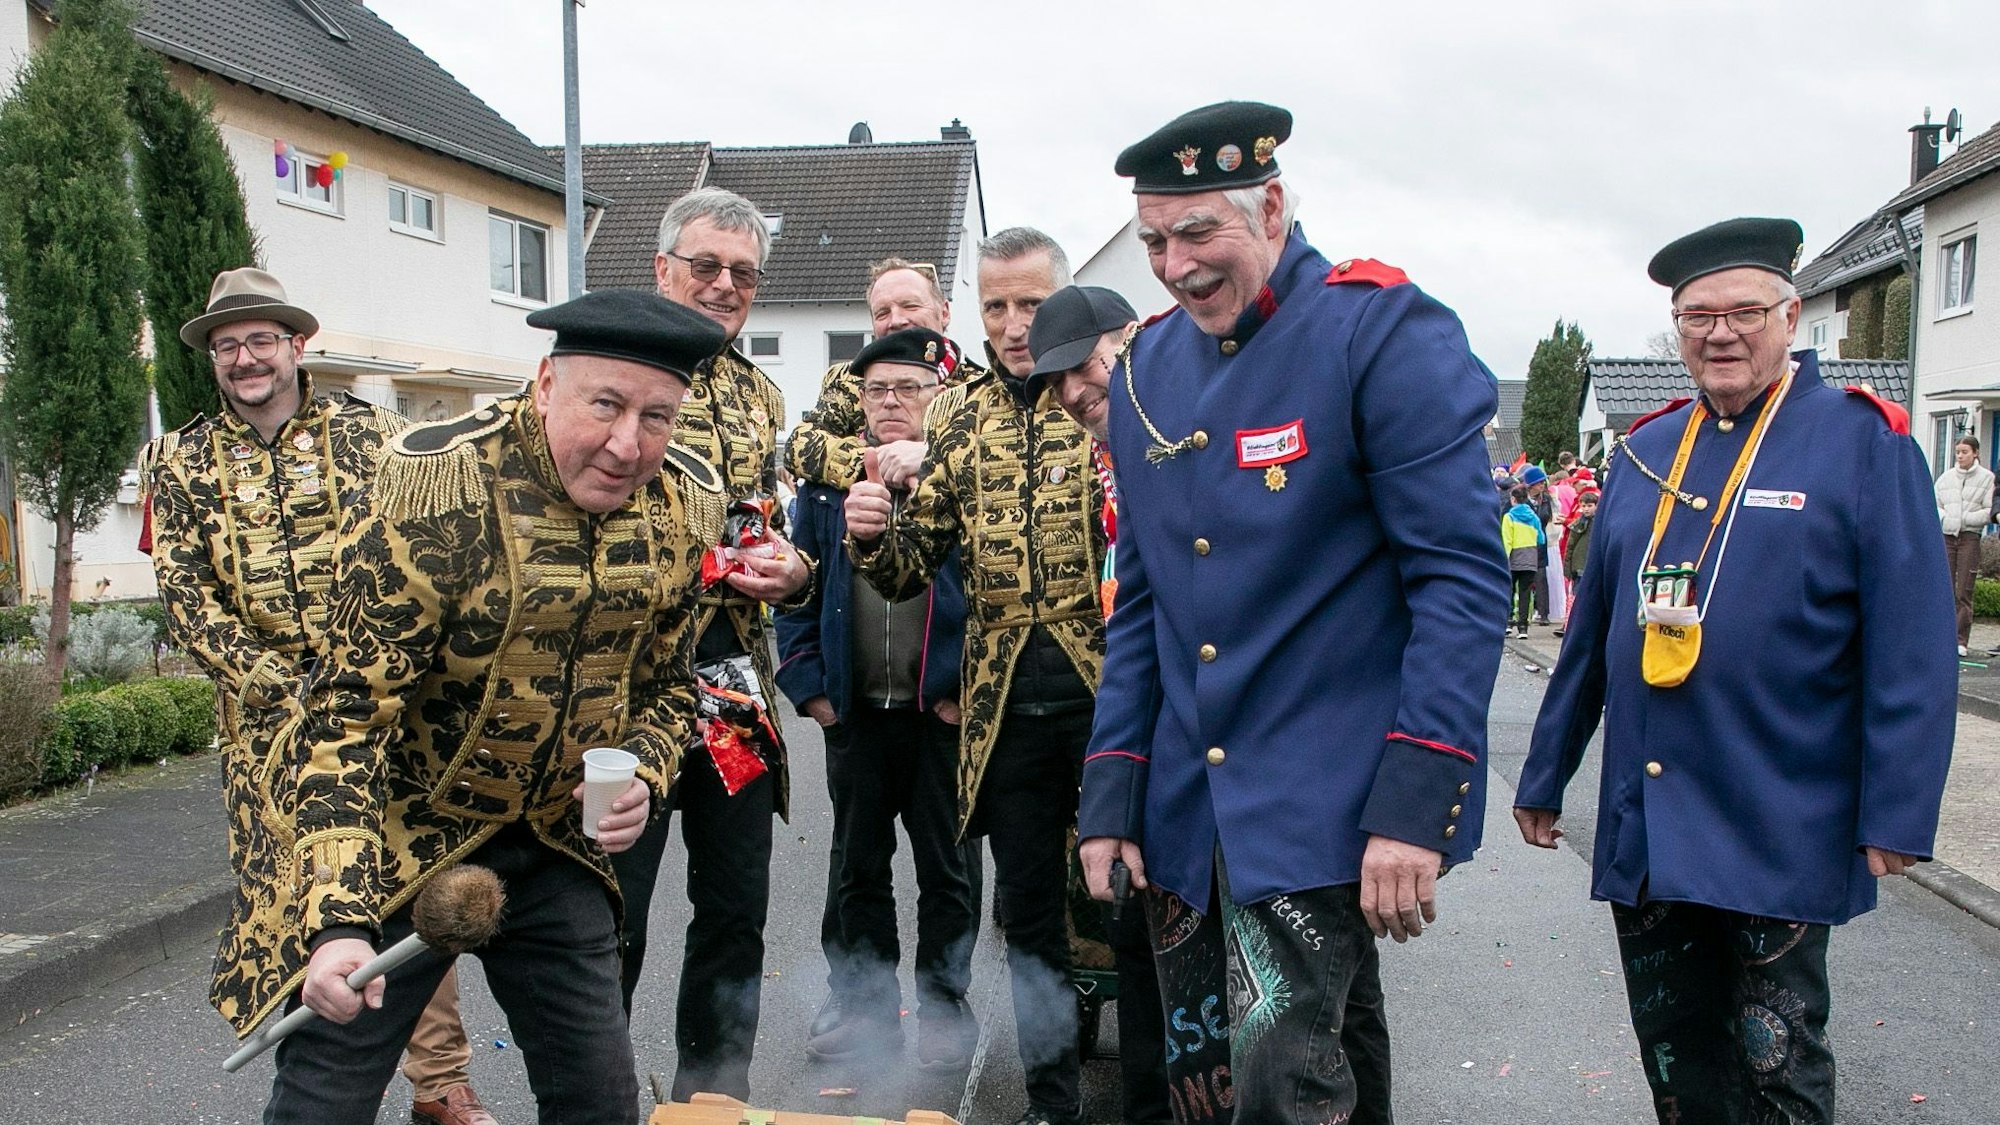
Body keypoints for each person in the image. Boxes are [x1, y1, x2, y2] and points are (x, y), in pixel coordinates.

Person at [216, 288, 772, 1124]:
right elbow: (344, 718)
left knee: (599, 1103)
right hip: (400, 833)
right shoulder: (430, 484)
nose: (628, 444)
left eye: (657, 417)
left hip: (552, 836)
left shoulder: (687, 502)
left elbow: (664, 684)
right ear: (546, 384)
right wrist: (336, 920)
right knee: (319, 1106)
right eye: (606, 406)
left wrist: (646, 778)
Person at [1076, 101, 1509, 1125]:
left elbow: (1457, 581)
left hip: (1325, 799)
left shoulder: (1379, 333)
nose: (1175, 268)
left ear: (1269, 206)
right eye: (1152, 243)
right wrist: (1109, 797)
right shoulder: (1143, 368)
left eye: (1196, 234)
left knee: (1285, 1087)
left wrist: (1416, 801)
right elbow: (1140, 604)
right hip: (1185, 804)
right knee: (1199, 1087)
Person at [1515, 217, 1957, 1125]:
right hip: (1651, 821)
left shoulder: (1862, 444)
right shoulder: (1644, 452)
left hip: (1779, 813)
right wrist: (1545, 773)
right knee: (1677, 1057)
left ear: (1791, 316)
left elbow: (1912, 651)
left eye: (1744, 312)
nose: (1720, 334)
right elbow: (1594, 634)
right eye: (1697, 317)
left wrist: (1898, 811)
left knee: (1779, 1063)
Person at [149, 267, 497, 1125]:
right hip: (266, 736)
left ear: (296, 345)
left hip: (383, 716)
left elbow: (432, 555)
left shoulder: (375, 435)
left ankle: (440, 1080)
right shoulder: (179, 459)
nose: (244, 358)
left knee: (412, 888)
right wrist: (278, 686)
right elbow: (185, 593)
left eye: (261, 339)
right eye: (228, 345)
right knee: (290, 907)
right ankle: (317, 1080)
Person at [845, 228, 1107, 1125]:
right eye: (995, 305)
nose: (1013, 323)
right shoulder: (955, 412)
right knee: (1028, 921)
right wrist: (873, 535)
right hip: (1005, 713)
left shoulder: (1111, 394)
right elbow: (916, 566)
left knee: (1136, 907)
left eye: (1031, 303)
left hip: (1112, 697)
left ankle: (1155, 1098)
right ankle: (1054, 1104)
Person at [609, 187, 812, 1103]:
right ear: (663, 270)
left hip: (730, 686)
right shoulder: (612, 365)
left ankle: (710, 1098)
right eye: (706, 266)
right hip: (626, 686)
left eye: (742, 272)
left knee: (734, 911)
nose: (725, 285)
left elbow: (760, 522)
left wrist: (791, 569)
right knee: (612, 915)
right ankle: (596, 1097)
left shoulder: (760, 391)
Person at [782, 257, 982, 1050]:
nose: (891, 403)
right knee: (855, 869)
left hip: (942, 710)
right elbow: (798, 586)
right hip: (856, 710)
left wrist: (965, 684)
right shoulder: (829, 482)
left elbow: (993, 593)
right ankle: (861, 1006)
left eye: (908, 389)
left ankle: (944, 1008)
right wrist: (810, 686)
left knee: (949, 872)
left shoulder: (962, 472)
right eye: (876, 391)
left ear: (938, 392)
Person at [1026, 285, 1176, 1123]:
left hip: (1201, 747)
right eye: (1058, 383)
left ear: (1132, 339)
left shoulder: (1179, 441)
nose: (1076, 393)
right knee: (1137, 939)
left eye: (1085, 365)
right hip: (1127, 734)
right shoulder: (1108, 465)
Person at [786, 258, 984, 492]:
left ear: (944, 312)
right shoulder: (849, 381)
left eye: (910, 306)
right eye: (882, 313)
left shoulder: (977, 387)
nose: (897, 321)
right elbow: (800, 445)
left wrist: (931, 456)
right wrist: (879, 462)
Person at [1936, 435, 1992, 657]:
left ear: (1975, 453)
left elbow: (1989, 510)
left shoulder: (1987, 479)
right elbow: (1935, 501)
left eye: (1965, 452)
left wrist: (1965, 519)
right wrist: (1945, 519)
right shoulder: (1946, 478)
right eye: (1958, 452)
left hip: (1969, 536)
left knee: (1964, 590)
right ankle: (1943, 637)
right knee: (1945, 588)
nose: (1960, 456)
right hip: (1947, 535)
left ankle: (1961, 640)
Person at [1503, 485, 1545, 640]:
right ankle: (1523, 627)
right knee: (1525, 592)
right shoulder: (1533, 517)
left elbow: (1507, 540)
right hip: (1530, 557)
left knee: (1510, 590)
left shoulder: (1509, 517)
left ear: (1513, 499)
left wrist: (1504, 558)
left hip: (1513, 557)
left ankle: (1508, 622)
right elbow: (1541, 538)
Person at [1556, 486, 1598, 637]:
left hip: (1592, 566)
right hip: (1578, 567)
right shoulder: (1577, 524)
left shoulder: (1599, 524)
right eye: (1583, 506)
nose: (1586, 509)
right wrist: (1567, 568)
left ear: (1596, 506)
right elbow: (1570, 547)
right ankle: (1572, 625)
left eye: (1589, 506)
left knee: (1590, 598)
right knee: (1575, 598)